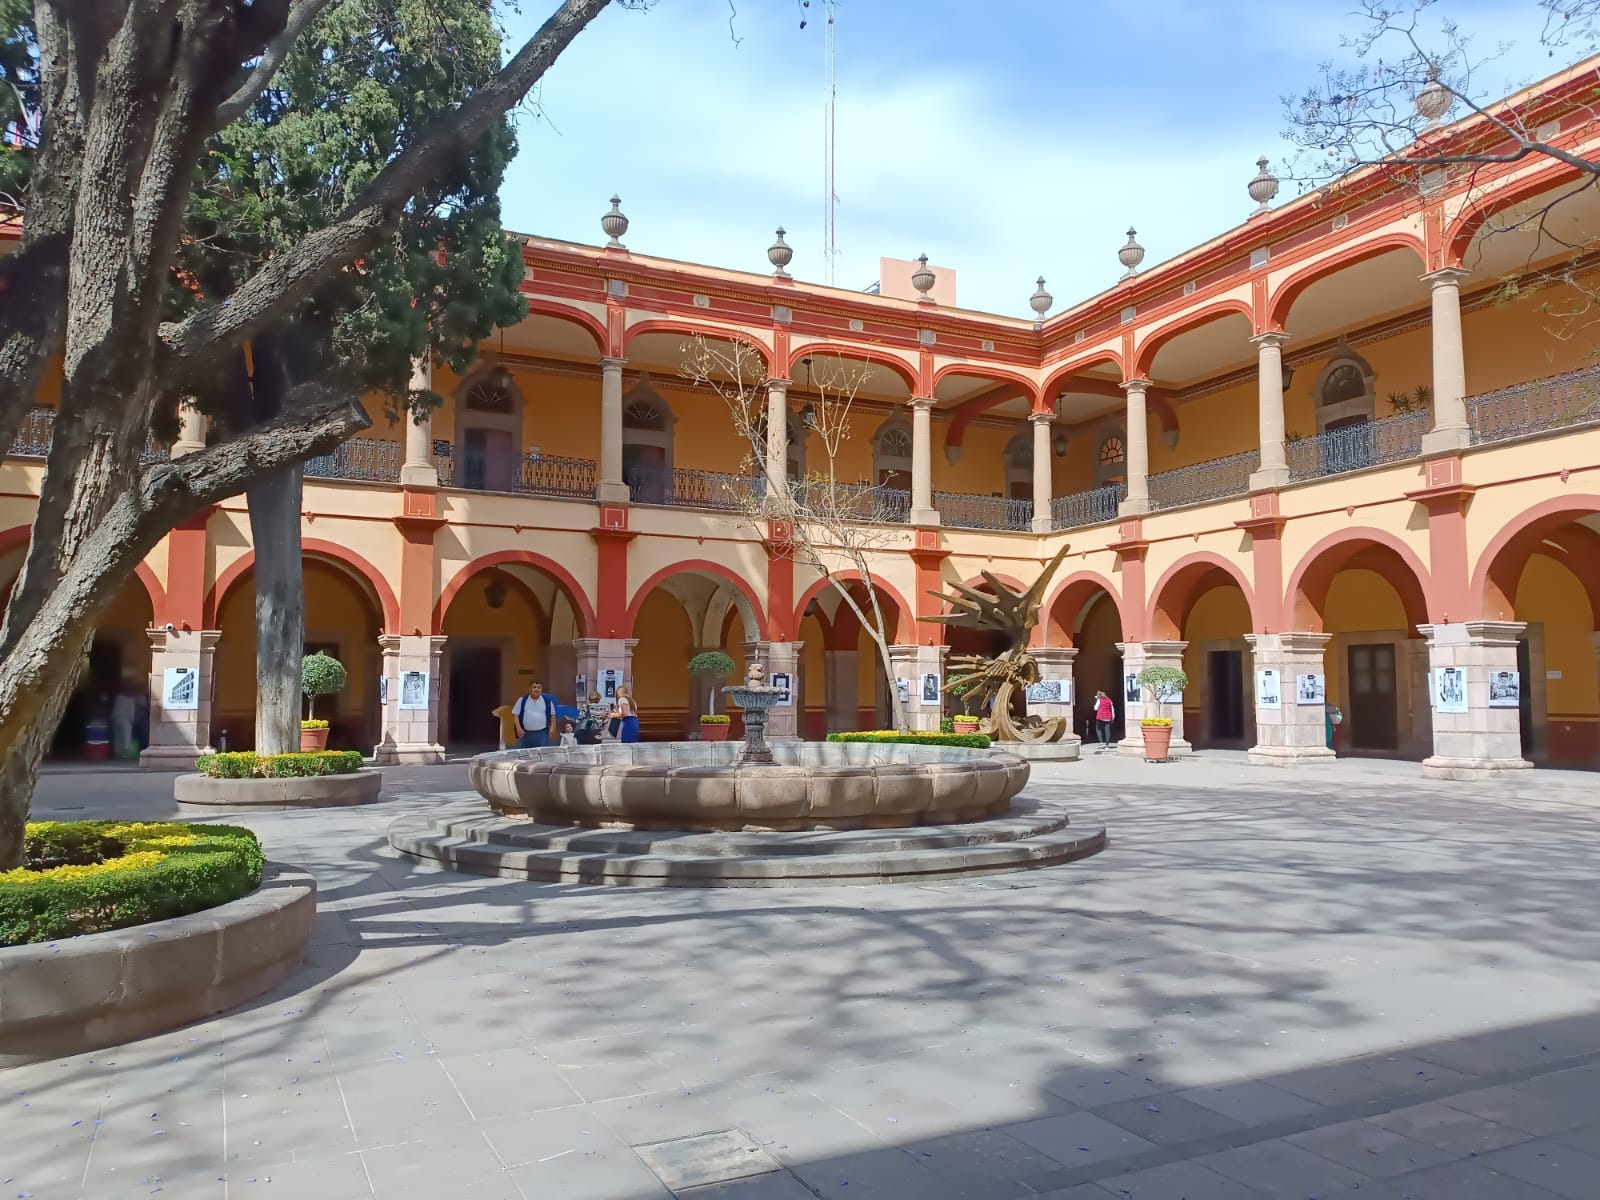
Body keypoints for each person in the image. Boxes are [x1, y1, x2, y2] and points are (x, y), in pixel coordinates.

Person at [513, 681, 559, 749]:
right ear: (530, 689)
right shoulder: (522, 700)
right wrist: (518, 728)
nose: (536, 689)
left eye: (539, 687)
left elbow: (553, 715)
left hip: (542, 734)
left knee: (541, 754)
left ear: (541, 689)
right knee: (525, 755)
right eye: (534, 687)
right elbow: (516, 715)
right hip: (525, 734)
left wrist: (552, 728)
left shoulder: (547, 701)